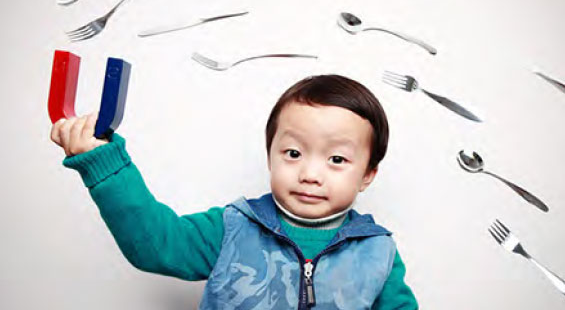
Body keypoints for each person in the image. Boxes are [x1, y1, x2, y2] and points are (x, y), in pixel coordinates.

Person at [50, 74, 418, 309]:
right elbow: (157, 245)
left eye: (336, 159)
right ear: (270, 155)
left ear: (367, 174)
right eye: (293, 153)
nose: (310, 173)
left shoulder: (378, 251)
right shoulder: (232, 227)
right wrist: (106, 166)